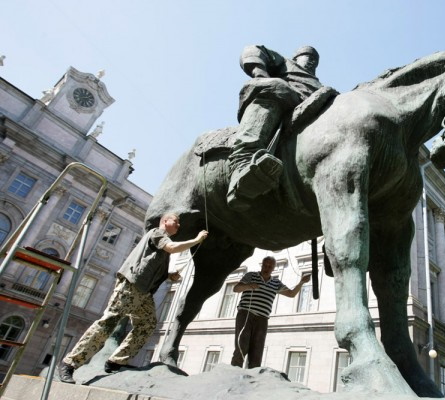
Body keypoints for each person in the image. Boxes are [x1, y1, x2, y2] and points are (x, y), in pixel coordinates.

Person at [58, 213, 208, 383]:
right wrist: (196, 239)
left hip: (144, 293)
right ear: (165, 222)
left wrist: (169, 275)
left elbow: (151, 266)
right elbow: (171, 248)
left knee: (147, 324)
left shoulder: (161, 245)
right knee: (108, 323)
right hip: (131, 286)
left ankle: (116, 361)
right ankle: (69, 364)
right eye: (176, 221)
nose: (179, 225)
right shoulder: (157, 233)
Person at [227, 44, 322, 211]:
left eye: (314, 59)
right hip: (283, 98)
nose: (310, 61)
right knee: (277, 88)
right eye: (307, 56)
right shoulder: (285, 63)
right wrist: (260, 73)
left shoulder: (319, 86)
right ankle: (242, 162)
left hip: (307, 115)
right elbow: (253, 49)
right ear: (296, 58)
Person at [231, 256, 311, 368]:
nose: (267, 268)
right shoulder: (251, 275)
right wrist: (248, 286)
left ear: (273, 268)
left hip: (263, 319)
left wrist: (301, 282)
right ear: (262, 265)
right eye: (265, 265)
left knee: (257, 351)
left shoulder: (276, 283)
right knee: (241, 346)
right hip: (246, 314)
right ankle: (234, 375)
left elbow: (291, 294)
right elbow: (236, 289)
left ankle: (252, 379)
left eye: (270, 266)